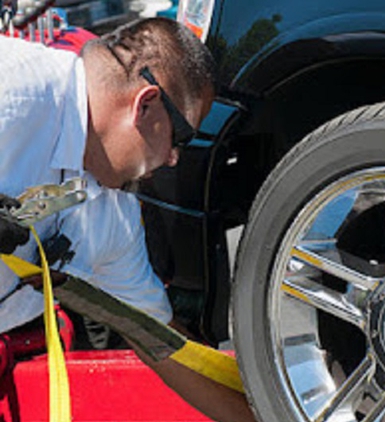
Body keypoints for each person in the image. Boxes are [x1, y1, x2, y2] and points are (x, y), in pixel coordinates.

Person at [0, 17, 256, 422]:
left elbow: (161, 342)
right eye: (181, 138)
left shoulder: (111, 217)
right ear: (146, 103)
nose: (174, 158)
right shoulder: (12, 90)